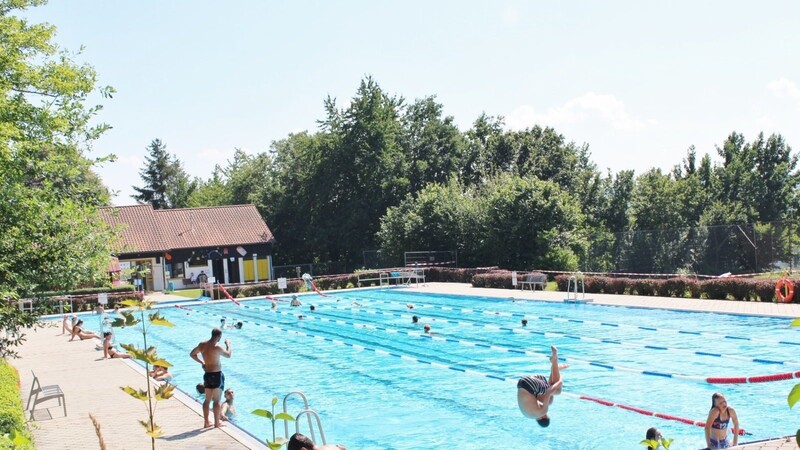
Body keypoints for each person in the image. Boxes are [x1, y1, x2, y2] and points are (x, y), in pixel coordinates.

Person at [190, 328, 232, 428]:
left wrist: (202, 362)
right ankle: (217, 423)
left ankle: (206, 422)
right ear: (218, 336)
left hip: (207, 375)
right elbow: (228, 355)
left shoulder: (202, 345)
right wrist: (228, 344)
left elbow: (192, 354)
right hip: (217, 375)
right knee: (217, 400)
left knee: (207, 400)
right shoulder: (217, 347)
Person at [516, 345, 568, 427]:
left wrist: (560, 382)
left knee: (557, 391)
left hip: (531, 385)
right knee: (549, 400)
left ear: (545, 417)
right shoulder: (529, 415)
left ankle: (555, 361)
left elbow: (548, 392)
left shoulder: (542, 412)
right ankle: (554, 368)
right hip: (523, 383)